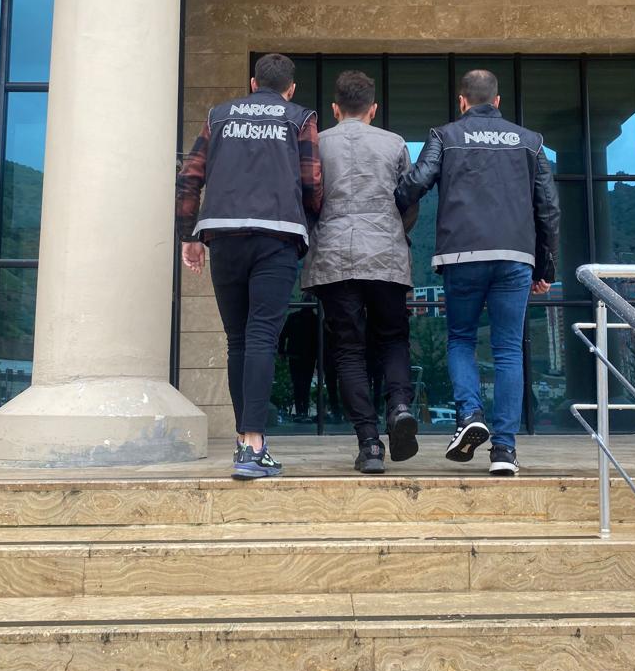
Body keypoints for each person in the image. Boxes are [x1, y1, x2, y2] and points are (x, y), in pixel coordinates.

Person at [395, 69, 559, 476]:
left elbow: (415, 183)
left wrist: (391, 198)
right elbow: (548, 208)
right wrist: (545, 265)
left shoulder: (444, 136)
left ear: (462, 101)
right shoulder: (530, 141)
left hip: (461, 254)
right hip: (514, 256)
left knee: (461, 339)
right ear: (497, 101)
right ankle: (504, 450)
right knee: (508, 350)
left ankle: (470, 414)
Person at [176, 53, 322, 479]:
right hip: (277, 236)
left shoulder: (218, 116)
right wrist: (307, 223)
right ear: (290, 88)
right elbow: (313, 181)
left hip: (223, 235)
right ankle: (254, 446)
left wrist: (189, 235)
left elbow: (190, 176)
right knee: (261, 337)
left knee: (237, 340)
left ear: (253, 83)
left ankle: (245, 441)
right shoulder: (299, 117)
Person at [302, 70, 419, 473]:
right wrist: (395, 232)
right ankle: (399, 406)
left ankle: (369, 444)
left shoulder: (317, 144)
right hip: (386, 254)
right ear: (373, 109)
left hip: (334, 257)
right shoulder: (395, 143)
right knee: (393, 338)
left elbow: (307, 196)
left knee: (348, 350)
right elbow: (409, 201)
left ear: (335, 109)